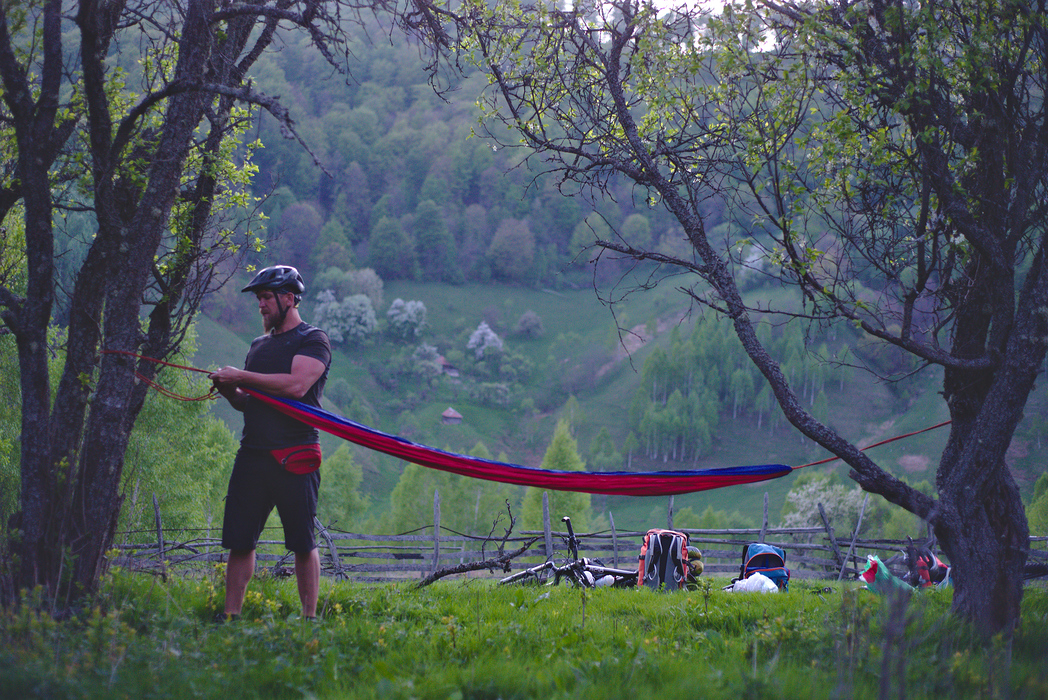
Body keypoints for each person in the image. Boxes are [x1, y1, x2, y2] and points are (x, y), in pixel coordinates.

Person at [209, 265, 331, 621]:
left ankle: (309, 621)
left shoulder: (313, 339)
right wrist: (229, 390)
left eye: (266, 298)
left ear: (289, 299)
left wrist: (240, 375)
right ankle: (231, 618)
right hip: (253, 453)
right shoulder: (258, 346)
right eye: (259, 299)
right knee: (239, 540)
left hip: (296, 453)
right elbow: (249, 400)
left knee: (302, 541)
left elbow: (296, 387)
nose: (260, 305)